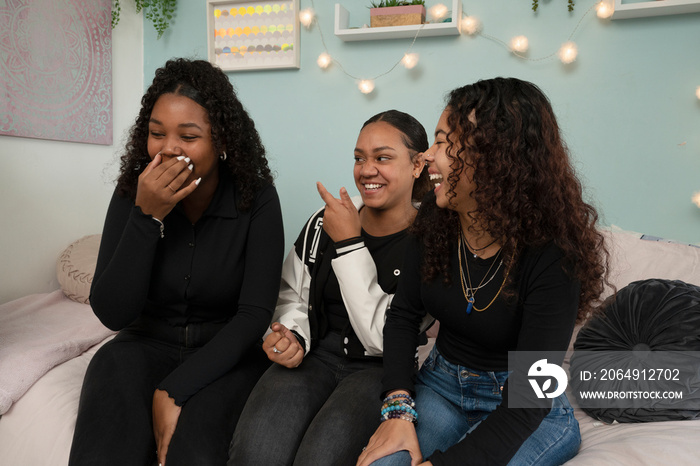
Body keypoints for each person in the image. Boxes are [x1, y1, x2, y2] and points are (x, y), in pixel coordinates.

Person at [357, 78, 609, 466]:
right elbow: (404, 316)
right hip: (442, 386)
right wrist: (397, 408)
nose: (427, 155)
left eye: (442, 142)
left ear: (492, 157)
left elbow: (529, 399)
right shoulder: (435, 220)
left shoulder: (554, 254)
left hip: (527, 408)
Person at [68, 58, 284, 466]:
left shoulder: (256, 198)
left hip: (226, 354)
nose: (168, 148)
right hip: (142, 345)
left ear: (221, 141)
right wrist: (146, 218)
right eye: (156, 133)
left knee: (194, 449)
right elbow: (112, 312)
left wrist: (174, 390)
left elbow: (254, 315)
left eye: (188, 135)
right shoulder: (133, 192)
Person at [229, 110, 432, 466]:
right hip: (313, 357)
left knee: (319, 460)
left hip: (379, 371)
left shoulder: (433, 241)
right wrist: (292, 335)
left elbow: (384, 339)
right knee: (255, 455)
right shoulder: (324, 221)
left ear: (417, 166)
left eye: (383, 158)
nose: (366, 170)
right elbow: (292, 293)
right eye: (359, 158)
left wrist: (349, 244)